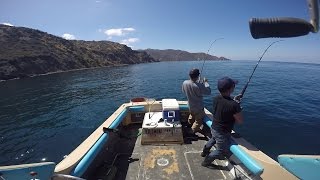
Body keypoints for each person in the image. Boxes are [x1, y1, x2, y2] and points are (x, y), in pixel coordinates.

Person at [201, 76, 243, 167]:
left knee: (213, 139)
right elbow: (239, 121)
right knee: (221, 151)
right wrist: (237, 107)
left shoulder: (216, 98)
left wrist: (234, 101)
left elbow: (225, 102)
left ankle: (204, 152)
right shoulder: (234, 105)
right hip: (223, 132)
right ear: (231, 89)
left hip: (214, 127)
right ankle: (206, 162)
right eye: (233, 86)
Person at [182, 68, 211, 135]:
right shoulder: (199, 85)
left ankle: (188, 125)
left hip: (190, 106)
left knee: (192, 115)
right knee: (198, 121)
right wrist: (206, 82)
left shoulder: (185, 82)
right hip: (198, 107)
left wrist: (198, 84)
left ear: (190, 75)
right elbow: (209, 92)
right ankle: (191, 132)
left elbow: (184, 91)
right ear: (197, 76)